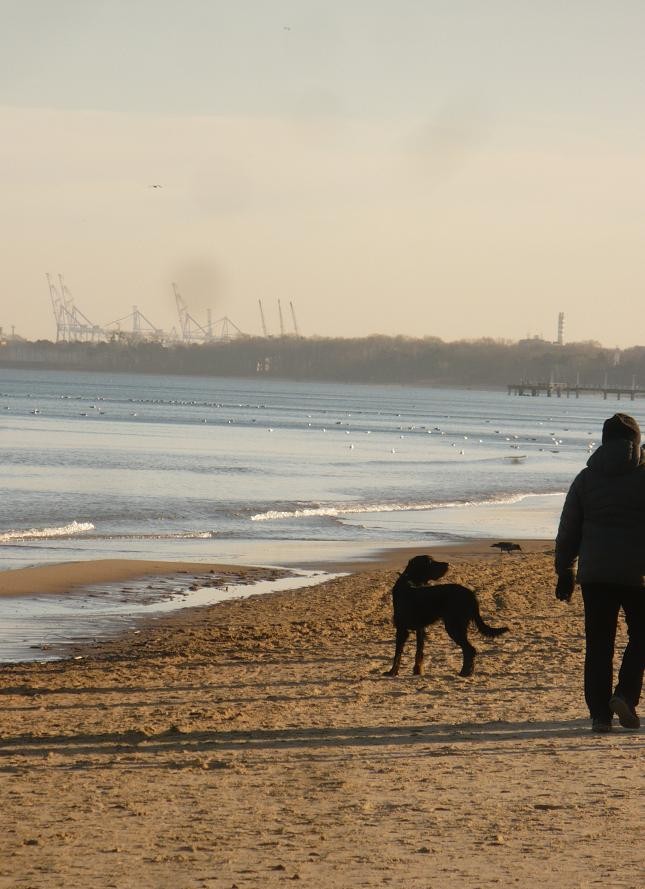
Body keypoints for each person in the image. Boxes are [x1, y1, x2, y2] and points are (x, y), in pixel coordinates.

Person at [555, 412, 644, 733]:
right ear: (636, 441)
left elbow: (568, 530)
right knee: (641, 636)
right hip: (638, 574)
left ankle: (600, 716)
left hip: (595, 576)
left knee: (599, 643)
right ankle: (625, 695)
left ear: (604, 440)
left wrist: (564, 570)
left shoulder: (586, 478)